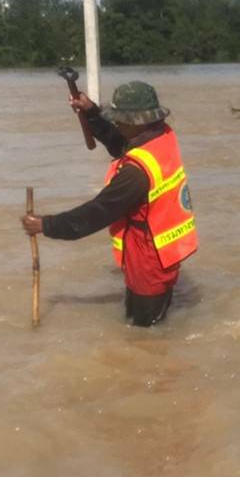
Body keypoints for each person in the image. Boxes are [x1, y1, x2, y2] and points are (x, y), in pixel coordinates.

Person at [21, 81, 196, 327]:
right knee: (153, 327)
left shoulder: (135, 174)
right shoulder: (162, 136)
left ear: (136, 122)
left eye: (119, 120)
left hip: (148, 259)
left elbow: (95, 214)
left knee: (145, 335)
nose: (115, 123)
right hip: (165, 251)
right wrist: (92, 112)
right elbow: (120, 143)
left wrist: (45, 225)